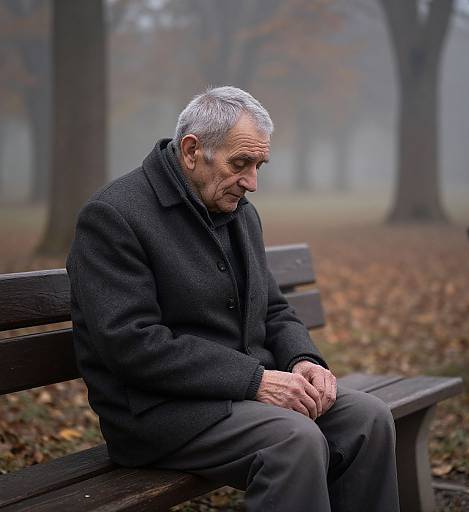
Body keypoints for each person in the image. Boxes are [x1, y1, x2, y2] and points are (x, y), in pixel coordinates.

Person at [66, 86, 400, 511]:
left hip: (239, 396)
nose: (252, 182)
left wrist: (304, 360)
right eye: (240, 163)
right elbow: (131, 344)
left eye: (259, 165)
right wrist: (256, 381)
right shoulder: (115, 216)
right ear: (191, 151)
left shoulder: (238, 210)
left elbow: (274, 308)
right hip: (160, 414)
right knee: (294, 441)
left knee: (368, 419)